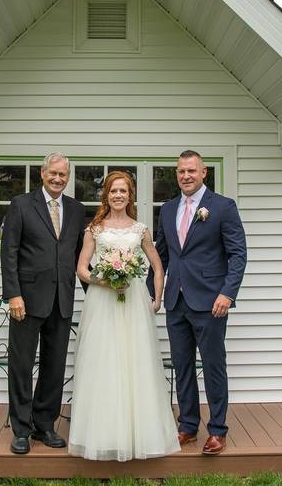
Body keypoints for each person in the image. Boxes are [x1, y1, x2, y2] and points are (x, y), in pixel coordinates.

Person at [69, 171, 180, 461]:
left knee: (135, 365)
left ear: (130, 196)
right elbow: (82, 268)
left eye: (124, 191)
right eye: (113, 191)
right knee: (103, 364)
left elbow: (157, 266)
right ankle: (103, 435)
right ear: (106, 195)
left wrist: (157, 299)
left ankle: (138, 435)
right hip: (102, 303)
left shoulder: (141, 229)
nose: (118, 195)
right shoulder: (94, 229)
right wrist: (104, 282)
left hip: (133, 305)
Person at [153, 150, 247, 455]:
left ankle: (217, 430)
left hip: (210, 301)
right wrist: (151, 292)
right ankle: (188, 426)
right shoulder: (167, 209)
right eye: (181, 171)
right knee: (182, 367)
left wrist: (227, 293)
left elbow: (238, 255)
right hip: (175, 301)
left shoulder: (222, 207)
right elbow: (162, 257)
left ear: (203, 172)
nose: (186, 176)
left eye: (191, 170)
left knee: (213, 365)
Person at [1, 152, 86, 455]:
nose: (58, 179)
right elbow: (9, 253)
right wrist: (13, 294)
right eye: (53, 173)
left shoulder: (76, 210)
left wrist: (97, 295)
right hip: (26, 300)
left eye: (63, 174)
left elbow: (80, 258)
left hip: (62, 300)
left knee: (54, 366)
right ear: (42, 172)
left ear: (68, 176)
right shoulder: (21, 205)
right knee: (22, 365)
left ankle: (44, 425)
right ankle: (21, 429)